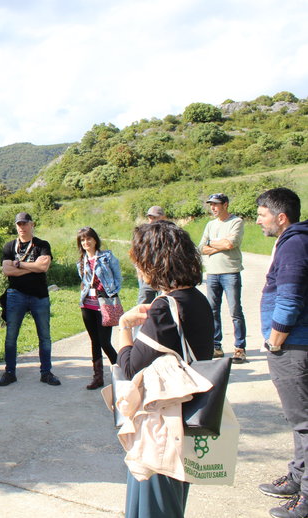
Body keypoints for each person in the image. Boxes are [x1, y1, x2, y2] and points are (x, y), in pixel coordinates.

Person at [115, 220, 214, 518]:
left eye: (139, 261)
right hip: (188, 421)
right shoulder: (197, 299)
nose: (138, 270)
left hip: (161, 427)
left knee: (152, 505)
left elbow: (130, 367)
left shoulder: (163, 308)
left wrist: (124, 327)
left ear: (154, 261)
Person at [254, 187, 308, 518]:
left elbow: (290, 298)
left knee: (304, 422)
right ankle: (298, 477)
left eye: (261, 214)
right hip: (295, 344)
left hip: (293, 346)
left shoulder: (295, 244)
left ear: (281, 217)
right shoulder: (297, 241)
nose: (259, 220)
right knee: (299, 420)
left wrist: (275, 340)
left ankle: (305, 499)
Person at [0, 213, 60, 386]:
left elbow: (44, 266)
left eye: (25, 224)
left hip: (39, 295)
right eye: (18, 224)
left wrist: (19, 264)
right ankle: (9, 372)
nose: (22, 227)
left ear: (31, 225)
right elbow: (7, 270)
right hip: (15, 294)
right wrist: (33, 268)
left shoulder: (42, 245)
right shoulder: (9, 246)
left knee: (44, 336)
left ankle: (46, 372)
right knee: (11, 336)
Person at [199, 193, 247, 363]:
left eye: (216, 204)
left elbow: (230, 244)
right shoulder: (210, 224)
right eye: (211, 204)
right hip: (212, 273)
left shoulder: (236, 222)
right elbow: (201, 248)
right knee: (212, 311)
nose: (213, 208)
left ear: (225, 205)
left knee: (235, 311)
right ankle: (216, 346)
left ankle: (240, 348)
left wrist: (211, 244)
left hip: (230, 272)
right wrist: (217, 245)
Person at [75, 227, 122, 390]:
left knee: (104, 342)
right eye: (82, 240)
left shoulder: (107, 257)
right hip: (87, 305)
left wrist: (111, 292)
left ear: (95, 240)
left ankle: (121, 373)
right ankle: (98, 377)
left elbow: (118, 277)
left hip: (104, 304)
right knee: (95, 341)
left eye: (88, 239)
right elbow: (84, 281)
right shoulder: (81, 262)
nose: (86, 242)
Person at [136, 206, 166, 304]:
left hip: (165, 275)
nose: (152, 220)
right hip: (148, 275)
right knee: (142, 303)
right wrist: (140, 271)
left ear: (163, 217)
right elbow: (137, 252)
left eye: (154, 217)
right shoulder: (144, 232)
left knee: (165, 304)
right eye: (150, 217)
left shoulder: (170, 232)